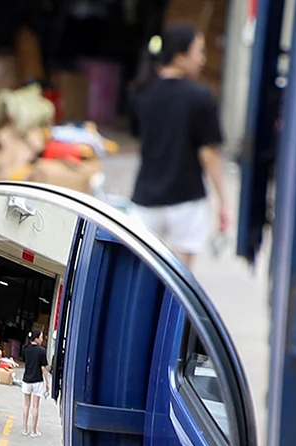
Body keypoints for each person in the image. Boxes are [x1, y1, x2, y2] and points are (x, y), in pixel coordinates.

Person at [128, 23, 230, 269]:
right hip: (186, 199)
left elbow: (139, 137)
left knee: (142, 272)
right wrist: (223, 201)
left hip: (145, 199)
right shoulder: (200, 97)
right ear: (180, 56)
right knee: (178, 277)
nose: (203, 59)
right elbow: (209, 154)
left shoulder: (141, 93)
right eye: (199, 52)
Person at [21, 328, 50, 438]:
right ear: (36, 338)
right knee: (35, 406)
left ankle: (24, 429)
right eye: (41, 337)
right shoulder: (41, 351)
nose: (42, 339)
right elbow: (43, 368)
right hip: (37, 381)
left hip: (26, 380)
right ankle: (33, 431)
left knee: (26, 404)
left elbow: (25, 362)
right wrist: (47, 383)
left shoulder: (25, 349)